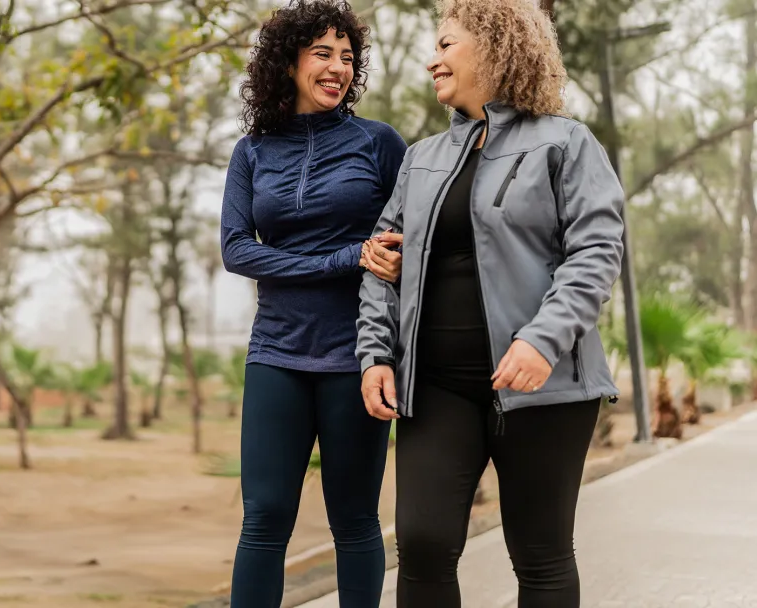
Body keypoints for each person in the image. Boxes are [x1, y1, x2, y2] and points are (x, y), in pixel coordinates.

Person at [356, 0, 624, 606]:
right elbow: (380, 260)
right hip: (437, 386)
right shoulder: (421, 158)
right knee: (422, 544)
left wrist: (541, 341)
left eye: (446, 45)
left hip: (542, 386)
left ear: (495, 48)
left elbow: (596, 252)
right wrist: (375, 354)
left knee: (540, 553)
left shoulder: (566, 143)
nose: (432, 60)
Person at [220, 0, 407, 605]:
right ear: (288, 62)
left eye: (347, 57)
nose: (337, 68)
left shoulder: (378, 143)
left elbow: (409, 241)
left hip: (357, 353)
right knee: (264, 517)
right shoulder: (252, 151)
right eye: (322, 53)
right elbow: (236, 250)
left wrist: (387, 264)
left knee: (354, 519)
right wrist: (342, 259)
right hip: (276, 350)